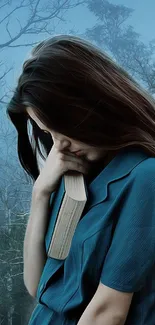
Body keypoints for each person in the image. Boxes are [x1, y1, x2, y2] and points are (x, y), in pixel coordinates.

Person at [7, 35, 155, 325]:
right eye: (48, 133)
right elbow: (39, 287)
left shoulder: (145, 178)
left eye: (61, 129)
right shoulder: (76, 172)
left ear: (90, 107)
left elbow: (107, 313)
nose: (59, 145)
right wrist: (40, 195)